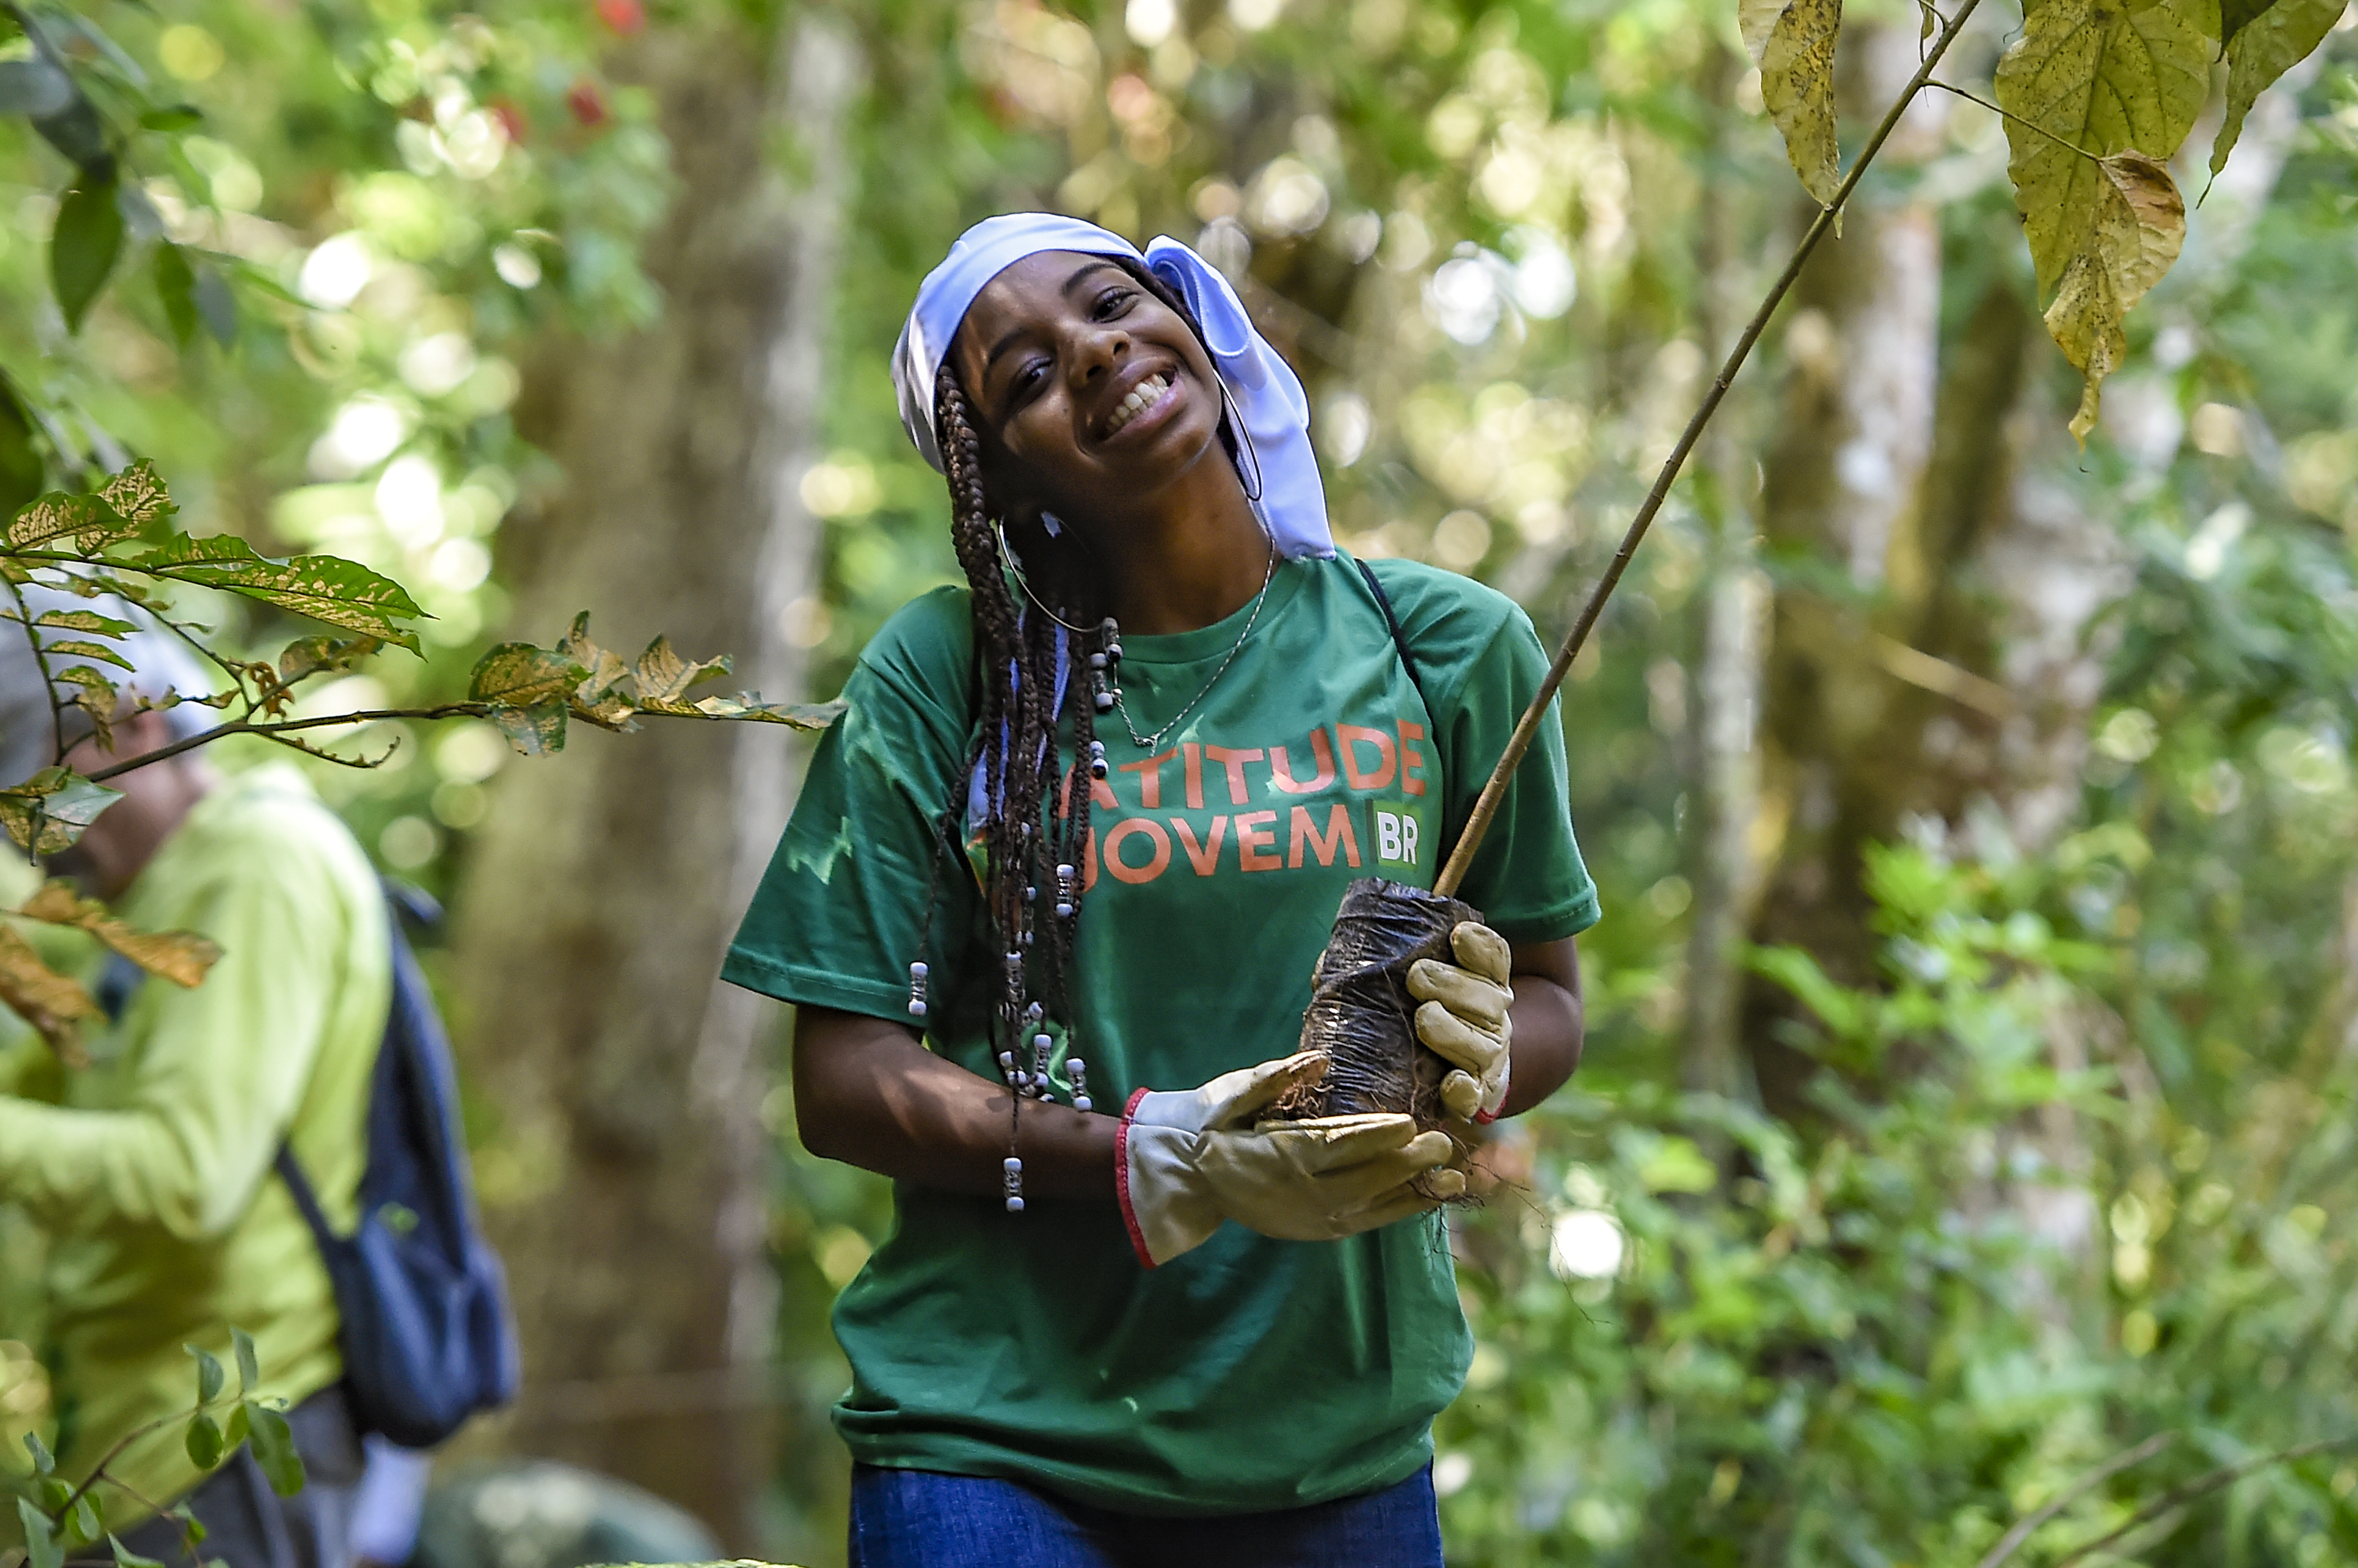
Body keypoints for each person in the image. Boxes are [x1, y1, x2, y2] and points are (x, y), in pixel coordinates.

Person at [722, 213, 1601, 1567]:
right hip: (995, 1439)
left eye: (1110, 302)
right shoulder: (947, 675)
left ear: (1194, 320)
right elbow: (843, 1078)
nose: (1092, 352)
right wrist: (1156, 1157)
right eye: (1026, 375)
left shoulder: (1445, 649)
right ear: (1000, 477)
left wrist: (1479, 1058)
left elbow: (1549, 999)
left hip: (1331, 1442)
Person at [0, 602, 385, 1568]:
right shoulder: (156, 887)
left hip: (223, 1451)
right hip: (140, 1444)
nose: (36, 839)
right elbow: (60, 1086)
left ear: (133, 722)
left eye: (42, 798)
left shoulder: (259, 865)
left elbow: (189, 1173)